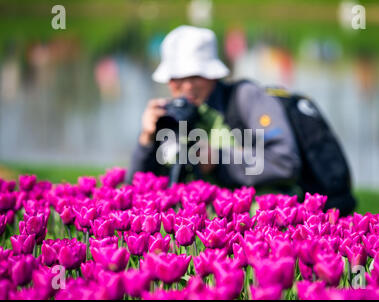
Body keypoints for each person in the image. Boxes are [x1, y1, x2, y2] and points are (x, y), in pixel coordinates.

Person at [126, 25, 301, 195]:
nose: (187, 86)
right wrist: (146, 141)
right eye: (177, 78)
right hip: (196, 221)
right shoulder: (168, 115)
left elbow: (285, 163)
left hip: (258, 219)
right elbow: (134, 191)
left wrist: (219, 160)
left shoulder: (245, 98)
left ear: (214, 74)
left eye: (196, 76)